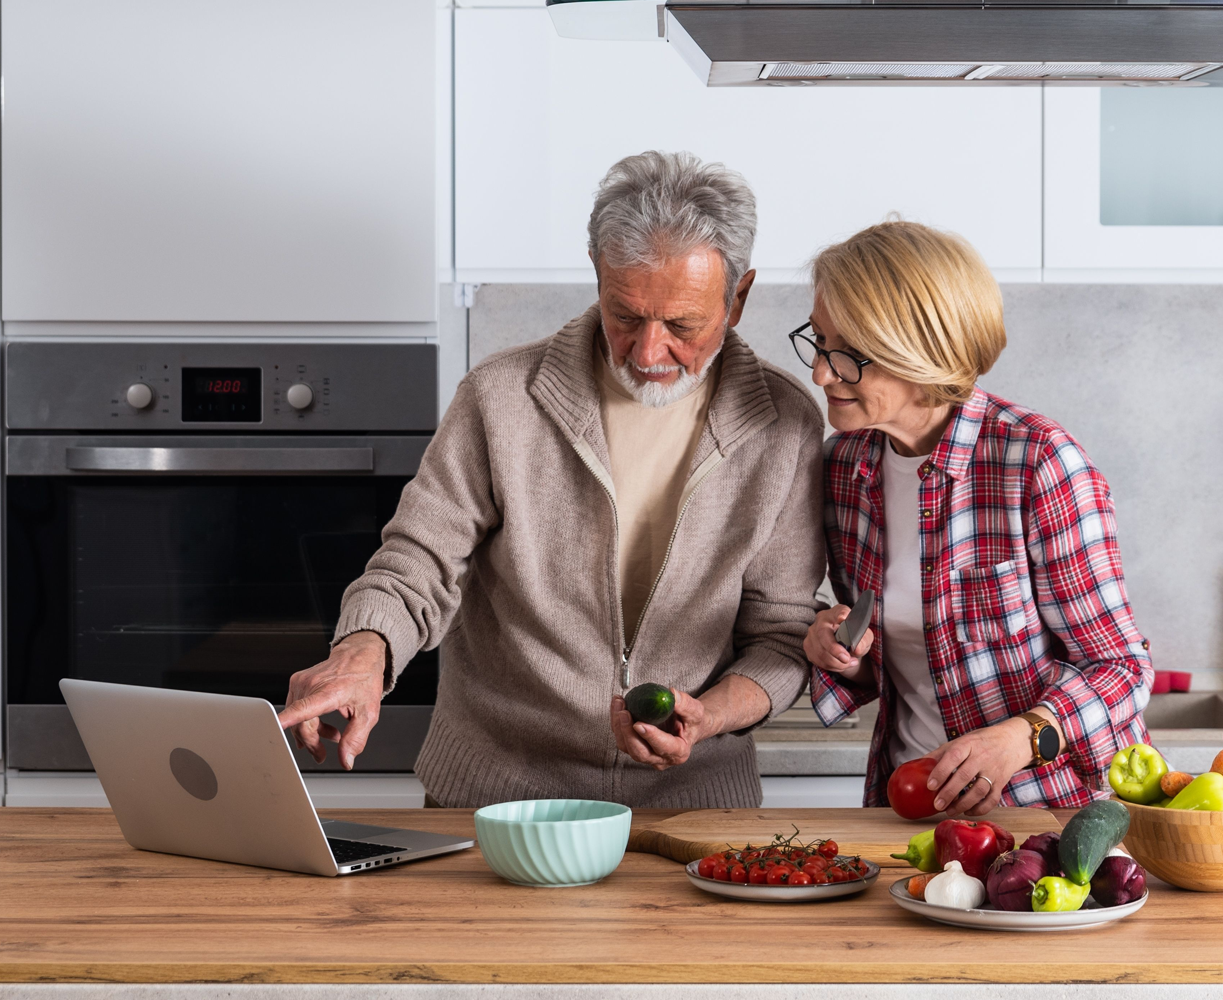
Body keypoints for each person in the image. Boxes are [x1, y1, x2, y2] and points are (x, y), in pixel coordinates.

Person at [277, 151, 825, 809]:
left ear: (737, 298)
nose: (649, 354)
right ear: (597, 275)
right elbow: (414, 565)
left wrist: (707, 716)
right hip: (499, 801)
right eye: (625, 315)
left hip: (693, 810)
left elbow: (782, 633)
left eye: (682, 325)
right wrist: (363, 654)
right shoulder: (501, 398)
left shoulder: (785, 426)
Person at [798, 221, 1152, 815]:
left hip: (1050, 815)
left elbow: (1122, 668)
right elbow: (905, 658)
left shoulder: (1037, 463)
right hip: (907, 806)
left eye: (849, 356)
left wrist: (1024, 737)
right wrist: (836, 647)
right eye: (819, 341)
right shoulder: (843, 469)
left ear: (922, 356)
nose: (821, 374)